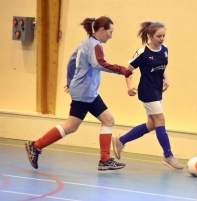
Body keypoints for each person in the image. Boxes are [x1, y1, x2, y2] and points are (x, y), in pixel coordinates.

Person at [25, 16, 133, 171]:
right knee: (70, 126)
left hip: (88, 91)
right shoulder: (95, 45)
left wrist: (71, 81)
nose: (111, 35)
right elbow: (99, 63)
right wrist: (122, 70)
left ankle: (105, 160)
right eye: (110, 32)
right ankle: (35, 146)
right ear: (102, 29)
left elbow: (71, 62)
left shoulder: (86, 42)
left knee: (108, 120)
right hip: (84, 92)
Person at [112, 21, 183, 170]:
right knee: (160, 119)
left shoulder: (165, 50)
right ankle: (168, 156)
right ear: (150, 36)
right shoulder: (143, 53)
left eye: (164, 36)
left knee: (151, 125)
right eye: (158, 36)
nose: (162, 39)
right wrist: (129, 85)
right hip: (146, 91)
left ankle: (121, 140)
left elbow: (161, 67)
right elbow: (128, 70)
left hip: (157, 90)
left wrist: (166, 78)